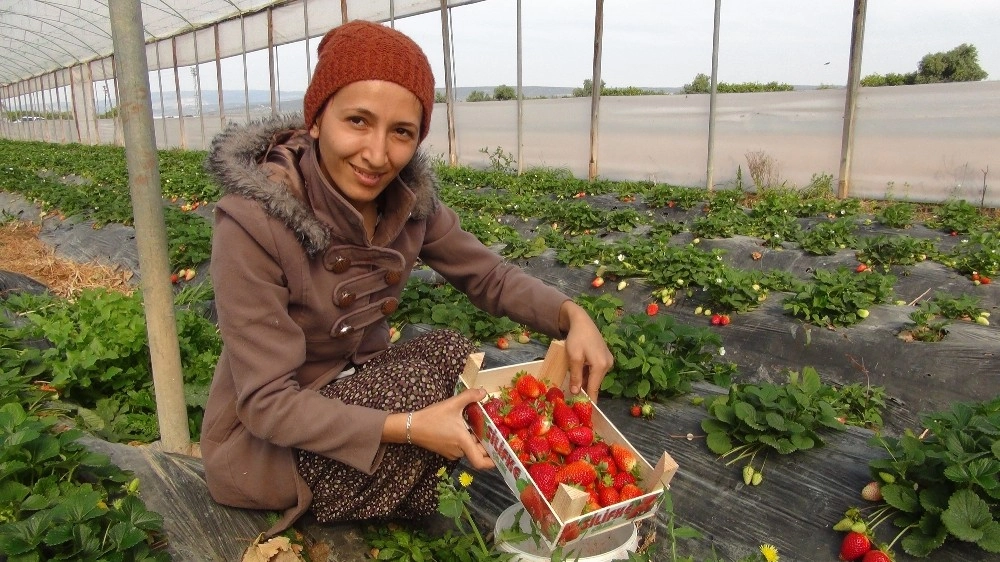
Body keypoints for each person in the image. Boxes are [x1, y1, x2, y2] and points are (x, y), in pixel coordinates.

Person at [200, 19, 613, 535]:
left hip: (357, 387)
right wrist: (413, 429)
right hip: (269, 442)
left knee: (452, 356)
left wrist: (572, 316)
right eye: (357, 121)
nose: (377, 155)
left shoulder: (408, 203)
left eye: (402, 132)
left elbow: (490, 276)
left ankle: (419, 474)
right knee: (441, 405)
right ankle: (396, 477)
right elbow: (266, 405)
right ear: (316, 118)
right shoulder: (254, 221)